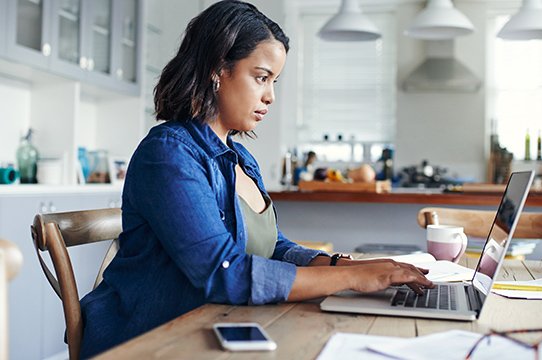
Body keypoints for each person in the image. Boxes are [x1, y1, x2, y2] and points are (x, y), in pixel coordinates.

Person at [79, 1, 433, 357]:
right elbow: (224, 272)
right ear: (218, 69)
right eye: (261, 77)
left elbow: (274, 248)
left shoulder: (241, 160)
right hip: (150, 340)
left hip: (217, 326)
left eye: (274, 81)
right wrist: (351, 279)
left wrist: (352, 266)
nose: (270, 96)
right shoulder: (168, 154)